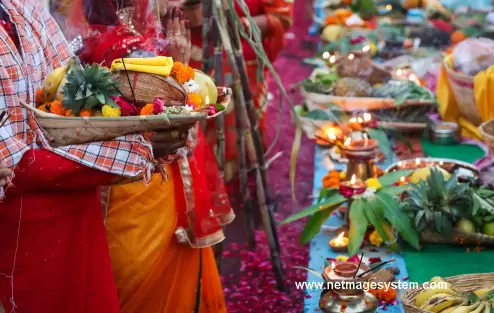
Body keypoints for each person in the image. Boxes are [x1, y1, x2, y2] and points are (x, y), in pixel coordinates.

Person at [0, 0, 191, 312]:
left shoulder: (25, 5)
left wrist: (156, 117)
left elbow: (71, 98)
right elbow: (14, 162)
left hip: (79, 218)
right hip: (18, 239)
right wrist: (142, 147)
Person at [66, 0, 233, 312]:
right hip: (146, 190)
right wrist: (180, 69)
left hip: (110, 194)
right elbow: (176, 123)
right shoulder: (137, 52)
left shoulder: (81, 47)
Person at [187, 0, 293, 181]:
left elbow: (281, 18)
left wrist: (239, 25)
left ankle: (239, 173)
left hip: (241, 59)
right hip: (192, 57)